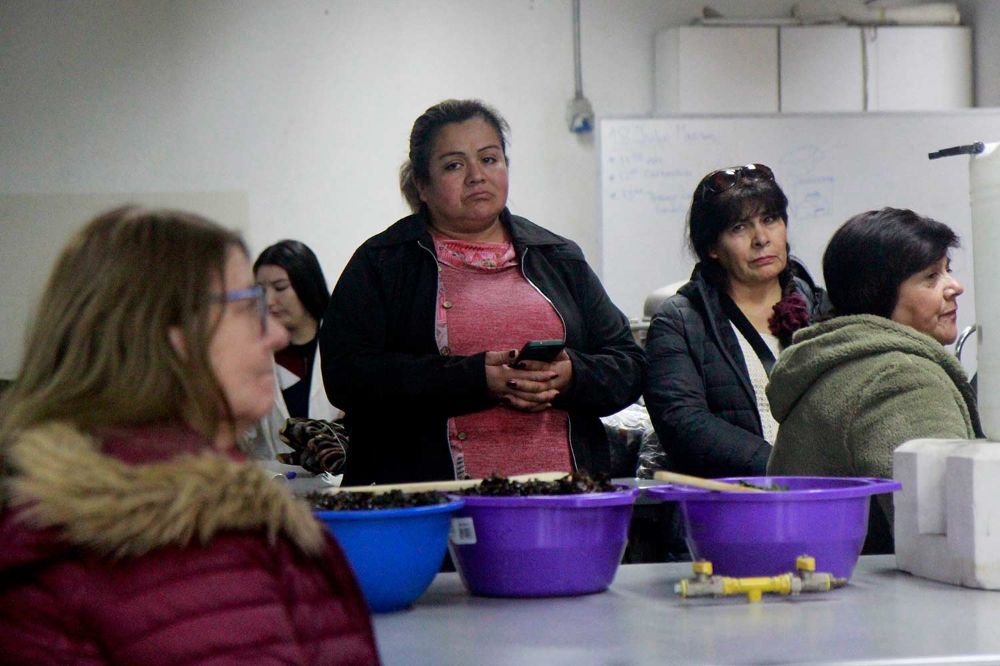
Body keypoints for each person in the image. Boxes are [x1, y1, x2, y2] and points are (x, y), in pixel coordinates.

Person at [0, 207, 379, 664]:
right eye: (248, 307)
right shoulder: (73, 566)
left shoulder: (250, 524)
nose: (276, 334)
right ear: (166, 336)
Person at [320, 99, 645, 486]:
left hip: (563, 495)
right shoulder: (383, 262)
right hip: (432, 503)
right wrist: (471, 379)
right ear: (422, 185)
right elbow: (347, 376)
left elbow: (629, 363)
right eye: (454, 165)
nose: (477, 176)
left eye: (489, 159)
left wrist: (570, 375)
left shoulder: (556, 256)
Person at [767, 207, 983, 553]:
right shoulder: (901, 378)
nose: (955, 287)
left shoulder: (844, 362)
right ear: (879, 294)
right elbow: (945, 536)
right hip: (871, 599)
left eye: (948, 270)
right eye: (931, 277)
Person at [643, 163, 827, 479]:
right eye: (739, 228)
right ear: (712, 247)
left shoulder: (823, 309)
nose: (761, 239)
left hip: (826, 495)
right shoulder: (681, 321)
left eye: (770, 220)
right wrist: (781, 470)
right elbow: (683, 423)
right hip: (731, 505)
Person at [246, 240, 344, 461]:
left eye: (280, 288)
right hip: (275, 484)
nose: (269, 301)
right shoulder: (253, 356)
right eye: (260, 291)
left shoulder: (344, 344)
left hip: (340, 485)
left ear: (307, 285)